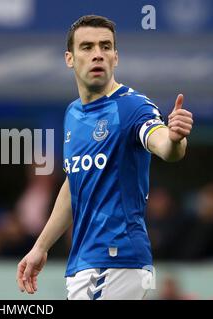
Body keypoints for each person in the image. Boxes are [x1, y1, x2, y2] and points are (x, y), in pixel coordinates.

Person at [16, 15, 194, 300]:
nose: (97, 54)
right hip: (87, 263)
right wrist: (41, 247)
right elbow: (75, 185)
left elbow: (164, 145)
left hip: (115, 259)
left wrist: (175, 138)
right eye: (87, 47)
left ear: (115, 57)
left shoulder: (133, 107)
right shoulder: (73, 114)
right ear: (70, 58)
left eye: (105, 46)